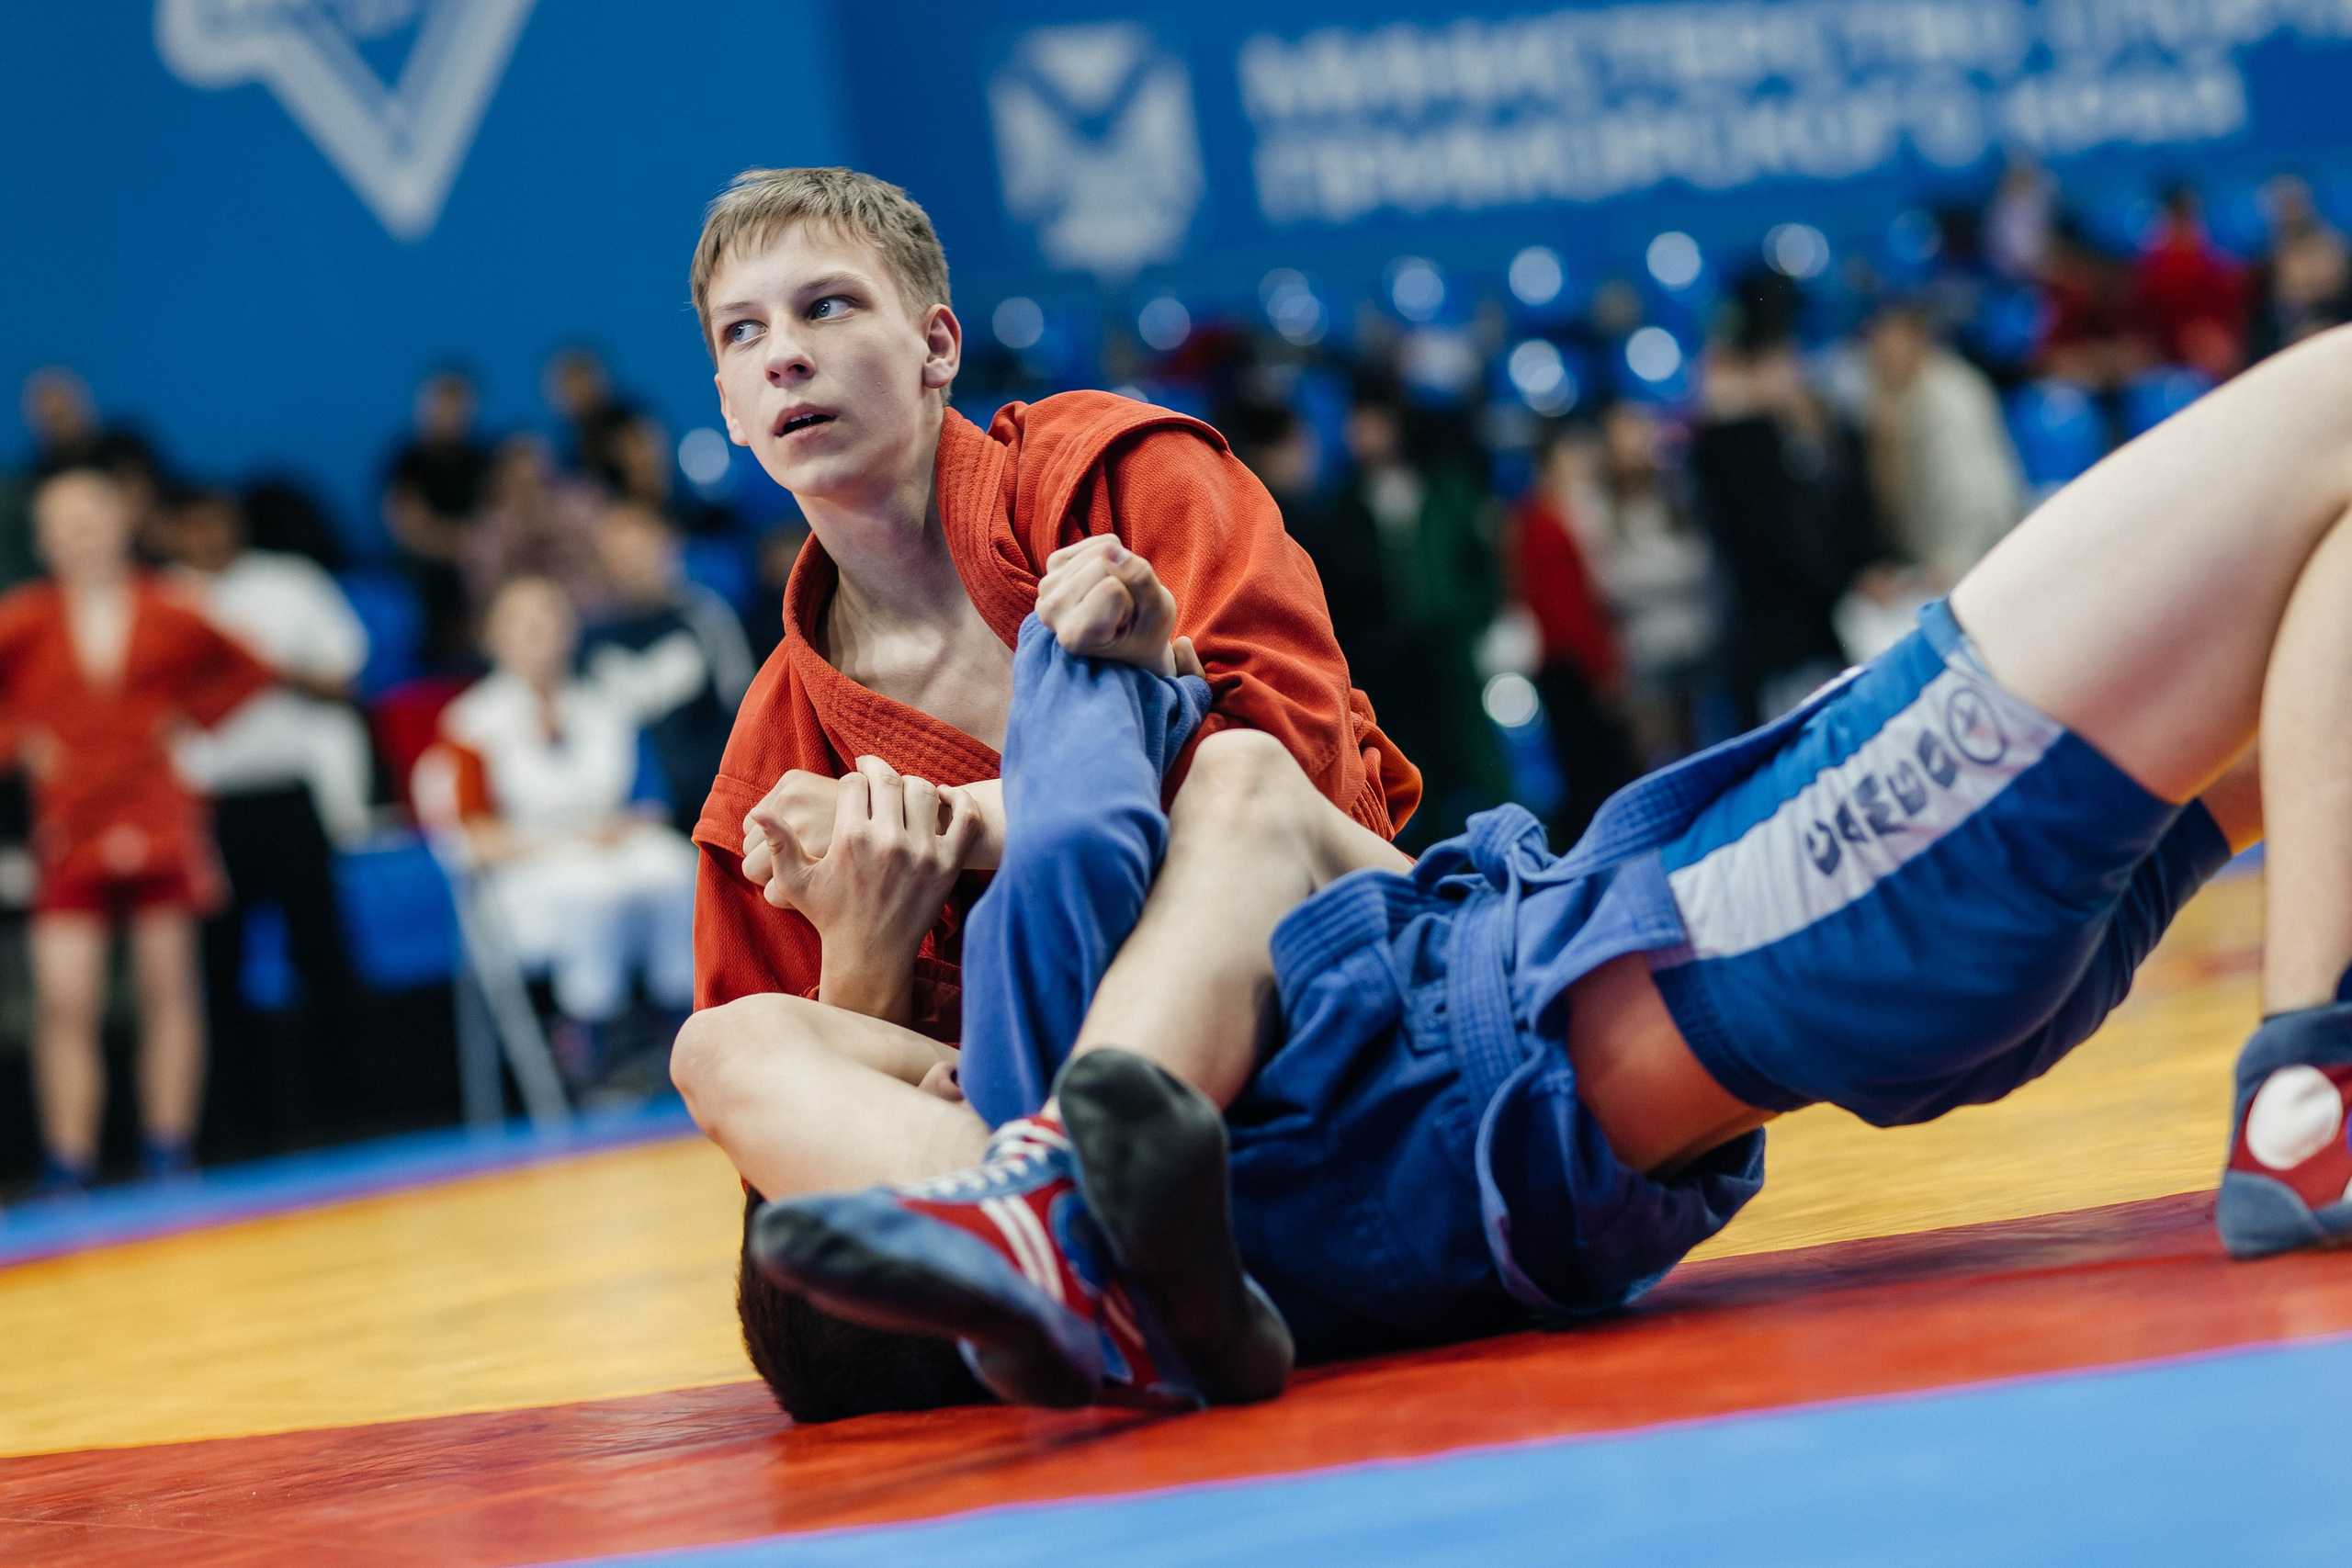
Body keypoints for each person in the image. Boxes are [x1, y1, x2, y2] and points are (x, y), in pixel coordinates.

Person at [705, 320, 2352, 1419]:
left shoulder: (1202, 1043)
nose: (783, 358)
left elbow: (1232, 813)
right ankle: (2307, 1082)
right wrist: (1060, 736)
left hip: (1774, 940)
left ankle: (2311, 1085)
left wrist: (924, 909)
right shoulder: (1162, 1055)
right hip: (1756, 916)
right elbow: (1154, 815)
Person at [685, 165, 1417, 1043]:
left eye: (828, 306)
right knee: (723, 1048)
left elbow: (1295, 783)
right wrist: (863, 961)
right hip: (1053, 1146)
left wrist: (947, 829)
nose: (784, 356)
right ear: (729, 407)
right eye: (741, 332)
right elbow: (796, 1162)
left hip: (1332, 1017)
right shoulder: (771, 772)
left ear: (939, 347)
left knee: (1238, 778)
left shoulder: (1125, 484)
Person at [2, 468, 276, 1190]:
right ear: (42, 537)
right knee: (64, 1000)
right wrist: (19, 741)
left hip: (156, 813)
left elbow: (250, 666)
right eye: (60, 523)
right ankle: (69, 1157)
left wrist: (190, 718)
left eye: (89, 517)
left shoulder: (169, 608)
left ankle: (169, 1147)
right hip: (68, 821)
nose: (77, 535)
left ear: (120, 521)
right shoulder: (24, 619)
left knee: (170, 988)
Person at [413, 575, 698, 1089]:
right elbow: (475, 837)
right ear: (492, 637)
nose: (541, 636)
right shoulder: (471, 724)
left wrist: (617, 830)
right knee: (594, 889)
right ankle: (590, 1037)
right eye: (524, 626)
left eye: (551, 622)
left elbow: (650, 805)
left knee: (679, 865)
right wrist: (567, 844)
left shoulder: (606, 707)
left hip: (610, 851)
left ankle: (680, 1017)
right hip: (525, 875)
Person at [166, 490, 371, 1148]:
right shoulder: (163, 601)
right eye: (192, 522)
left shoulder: (289, 583)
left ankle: (349, 1108)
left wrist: (264, 669)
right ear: (174, 530)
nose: (207, 533)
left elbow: (346, 678)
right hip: (207, 806)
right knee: (216, 968)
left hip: (287, 793)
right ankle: (238, 1127)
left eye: (218, 518)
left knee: (323, 953)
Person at [581, 500, 755, 834]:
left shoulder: (708, 619)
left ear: (667, 548)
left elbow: (745, 710)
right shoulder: (590, 642)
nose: (632, 565)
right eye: (618, 556)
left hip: (714, 803)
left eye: (641, 551)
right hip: (630, 820)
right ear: (602, 565)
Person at [1505, 423, 1635, 845]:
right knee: (1590, 771)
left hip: (1583, 660)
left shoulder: (1578, 515)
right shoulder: (1544, 522)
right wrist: (1600, 670)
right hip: (1571, 666)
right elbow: (1564, 612)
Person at [384, 369, 496, 667]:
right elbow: (410, 527)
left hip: (481, 557)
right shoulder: (408, 460)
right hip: (430, 563)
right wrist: (467, 545)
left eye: (458, 405)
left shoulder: (483, 460)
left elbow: (498, 518)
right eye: (442, 404)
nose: (450, 414)